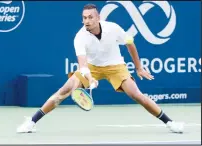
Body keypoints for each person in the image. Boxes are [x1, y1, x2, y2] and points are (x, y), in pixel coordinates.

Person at [17, 4, 184, 133]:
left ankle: (170, 122)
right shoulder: (80, 37)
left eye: (90, 17)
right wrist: (90, 79)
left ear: (98, 18)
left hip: (116, 66)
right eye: (84, 18)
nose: (87, 21)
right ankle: (31, 122)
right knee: (65, 90)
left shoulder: (113, 28)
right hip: (91, 67)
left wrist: (139, 68)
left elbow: (130, 43)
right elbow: (82, 65)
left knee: (136, 94)